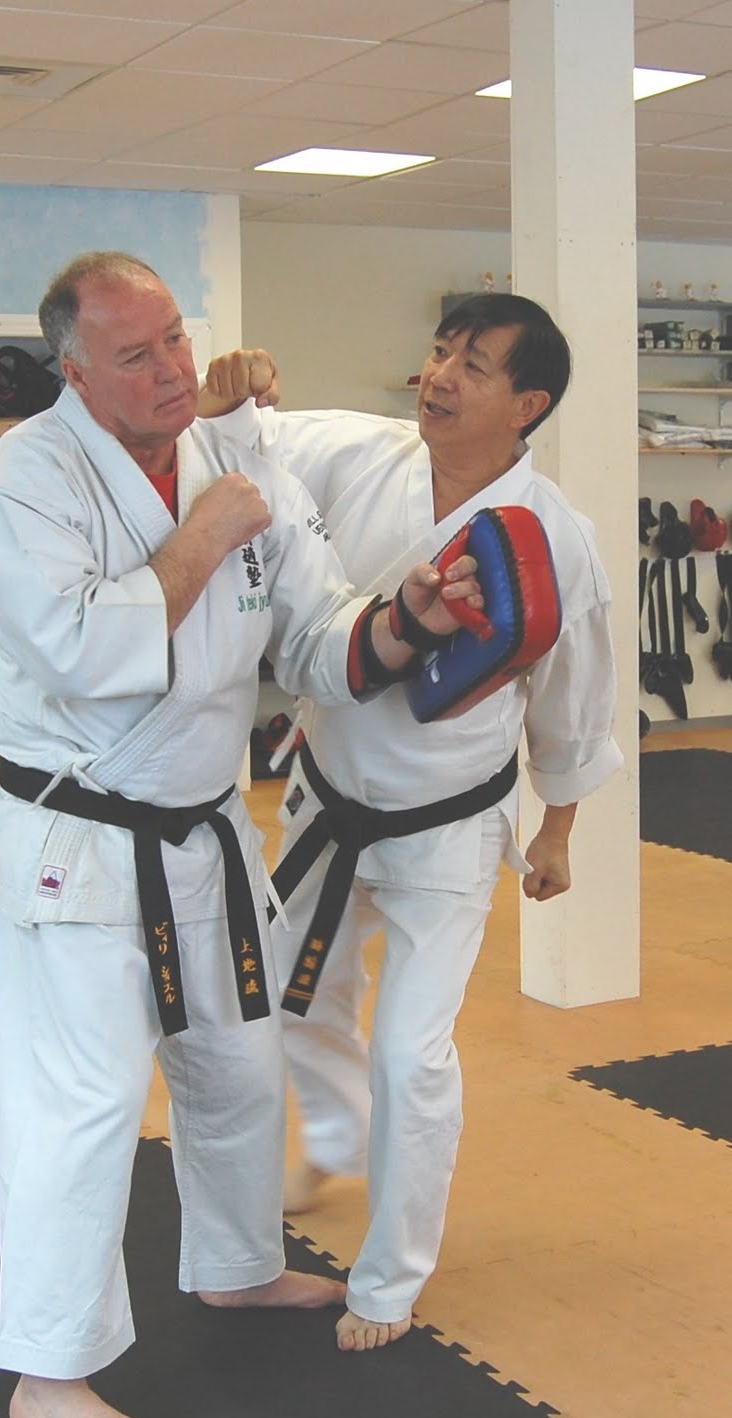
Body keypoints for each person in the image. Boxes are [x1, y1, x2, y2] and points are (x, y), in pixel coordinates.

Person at [0, 251, 485, 1418]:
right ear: (73, 368)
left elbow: (315, 634)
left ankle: (237, 1268)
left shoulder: (240, 464)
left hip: (204, 828)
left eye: (177, 340)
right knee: (81, 1108)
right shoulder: (20, 485)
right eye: (135, 355)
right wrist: (203, 532)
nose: (172, 371)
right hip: (80, 842)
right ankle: (50, 1371)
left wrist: (409, 617)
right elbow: (90, 653)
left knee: (238, 1067)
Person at [201, 292, 622, 1353]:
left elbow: (573, 701)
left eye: (471, 366)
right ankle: (337, 1139)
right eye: (439, 353)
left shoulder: (554, 540)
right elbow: (243, 441)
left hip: (447, 825)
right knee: (285, 1007)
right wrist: (236, 391)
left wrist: (556, 828)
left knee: (411, 1056)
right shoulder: (362, 450)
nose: (436, 376)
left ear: (525, 404)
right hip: (326, 798)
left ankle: (388, 1278)